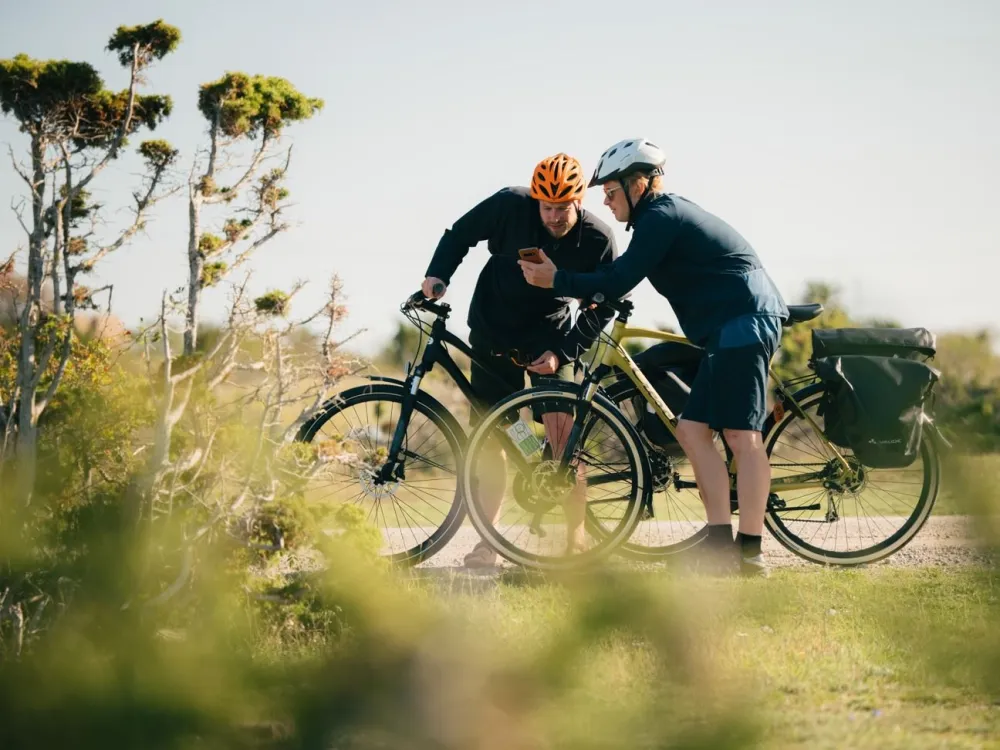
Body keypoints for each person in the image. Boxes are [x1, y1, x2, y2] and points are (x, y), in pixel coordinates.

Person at [519, 138, 789, 577]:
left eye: (609, 191)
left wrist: (557, 280)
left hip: (744, 320)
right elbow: (616, 276)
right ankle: (719, 543)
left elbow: (620, 277)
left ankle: (751, 552)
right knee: (691, 429)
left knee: (742, 437)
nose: (603, 200)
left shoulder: (662, 216)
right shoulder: (653, 222)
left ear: (638, 183)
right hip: (724, 329)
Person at [422, 152, 618, 567]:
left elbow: (605, 305)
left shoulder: (598, 239)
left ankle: (577, 539)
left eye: (562, 207)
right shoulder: (510, 205)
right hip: (493, 339)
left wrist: (561, 353)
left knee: (564, 441)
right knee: (494, 440)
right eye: (546, 206)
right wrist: (438, 274)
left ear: (578, 200)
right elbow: (459, 234)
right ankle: (489, 543)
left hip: (552, 342)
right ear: (535, 198)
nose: (553, 215)